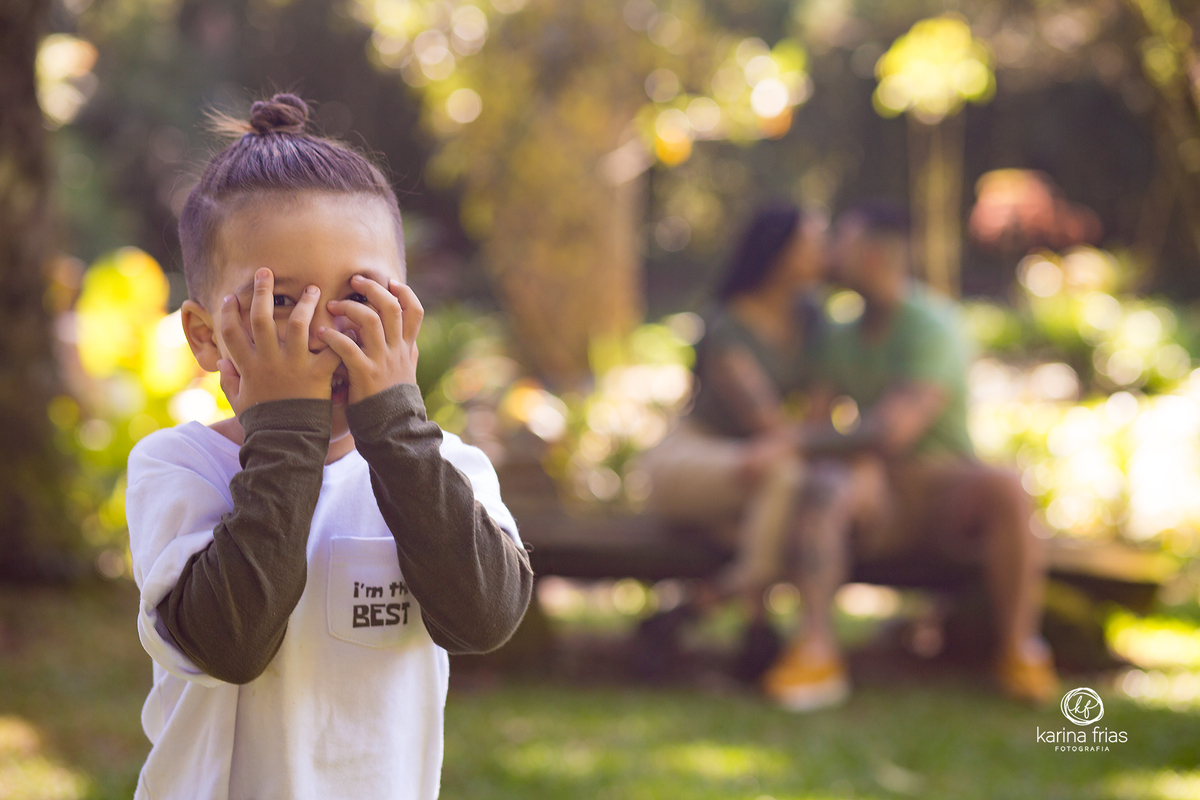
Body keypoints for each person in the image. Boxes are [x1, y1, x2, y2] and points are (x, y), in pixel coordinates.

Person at [125, 94, 533, 800]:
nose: (323, 332)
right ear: (204, 337)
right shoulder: (179, 469)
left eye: (360, 297)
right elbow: (231, 644)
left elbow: (485, 620)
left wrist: (397, 432)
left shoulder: (446, 468)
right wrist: (286, 429)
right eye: (281, 302)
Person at [761, 199, 1059, 709]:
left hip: (944, 488)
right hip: (881, 494)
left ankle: (1019, 649)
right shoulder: (839, 334)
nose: (829, 254)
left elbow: (893, 431)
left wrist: (798, 442)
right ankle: (815, 649)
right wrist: (829, 453)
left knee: (1006, 487)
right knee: (826, 487)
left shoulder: (932, 325)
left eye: (841, 243)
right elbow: (819, 421)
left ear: (873, 256)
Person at [641, 203, 828, 673]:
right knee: (785, 477)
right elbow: (770, 424)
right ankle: (751, 624)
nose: (823, 253)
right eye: (811, 244)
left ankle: (710, 607)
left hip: (754, 470)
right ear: (779, 253)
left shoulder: (813, 321)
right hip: (692, 458)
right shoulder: (727, 325)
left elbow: (816, 418)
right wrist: (803, 441)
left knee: (780, 497)